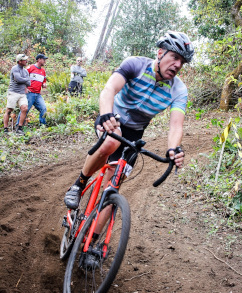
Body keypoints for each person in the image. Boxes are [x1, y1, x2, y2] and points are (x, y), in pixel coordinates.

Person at [64, 31, 194, 210]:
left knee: (112, 192)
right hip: (113, 118)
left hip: (135, 132)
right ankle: (79, 184)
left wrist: (173, 149)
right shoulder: (136, 64)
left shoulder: (178, 90)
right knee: (111, 141)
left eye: (182, 62)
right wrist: (106, 114)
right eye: (174, 57)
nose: (178, 64)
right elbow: (109, 89)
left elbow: (176, 125)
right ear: (160, 53)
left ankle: (92, 237)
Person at [16, 53, 48, 127]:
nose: (45, 61)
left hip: (38, 94)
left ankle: (42, 126)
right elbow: (22, 79)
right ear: (39, 60)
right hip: (29, 93)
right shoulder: (30, 68)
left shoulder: (43, 71)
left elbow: (44, 81)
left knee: (43, 108)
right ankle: (19, 126)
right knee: (25, 110)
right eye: (43, 60)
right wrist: (25, 88)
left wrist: (44, 84)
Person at [3, 54, 31, 136]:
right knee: (9, 110)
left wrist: (24, 80)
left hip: (22, 93)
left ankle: (19, 128)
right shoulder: (14, 68)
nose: (26, 61)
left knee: (25, 108)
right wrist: (25, 79)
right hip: (13, 92)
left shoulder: (25, 71)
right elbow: (18, 79)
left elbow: (28, 83)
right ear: (20, 61)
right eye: (24, 60)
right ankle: (5, 128)